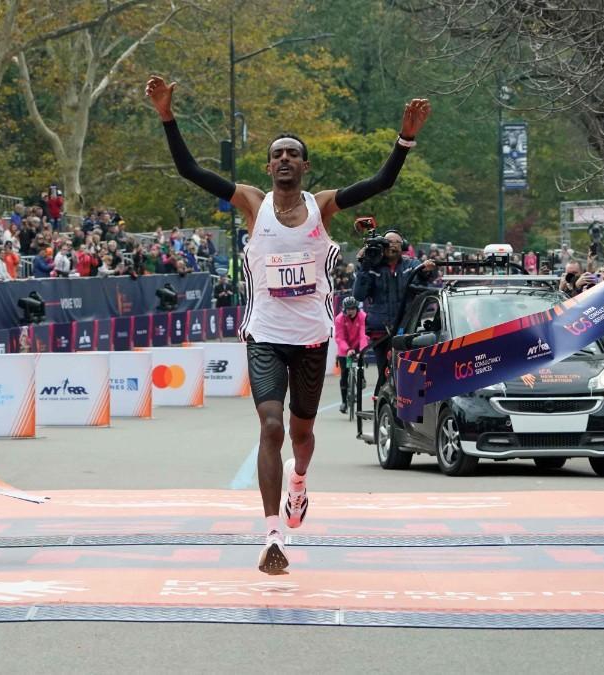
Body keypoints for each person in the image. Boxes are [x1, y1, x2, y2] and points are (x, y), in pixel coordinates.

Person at [147, 74, 430, 574]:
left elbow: (381, 183)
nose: (283, 159)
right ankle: (272, 535)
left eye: (292, 154)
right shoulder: (252, 204)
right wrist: (168, 115)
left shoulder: (321, 206)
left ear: (304, 166)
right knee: (271, 427)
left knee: (302, 436)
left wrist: (404, 138)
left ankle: (300, 482)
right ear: (267, 164)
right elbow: (190, 170)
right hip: (265, 337)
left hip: (311, 339)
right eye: (276, 152)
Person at [353, 227, 436, 396]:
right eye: (388, 242)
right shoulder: (371, 267)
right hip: (381, 332)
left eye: (397, 242)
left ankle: (409, 412)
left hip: (407, 331)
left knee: (410, 374)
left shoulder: (411, 264)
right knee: (384, 375)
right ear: (382, 245)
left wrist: (429, 270)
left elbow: (426, 278)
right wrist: (365, 264)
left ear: (403, 245)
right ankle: (383, 412)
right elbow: (359, 295)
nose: (393, 245)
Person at [333, 297, 368, 413]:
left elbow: (363, 335)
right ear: (344, 309)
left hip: (358, 346)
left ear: (356, 308)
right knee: (345, 373)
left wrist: (362, 350)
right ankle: (344, 402)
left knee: (359, 366)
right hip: (345, 349)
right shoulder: (339, 319)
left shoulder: (362, 316)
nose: (350, 311)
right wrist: (347, 349)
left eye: (352, 309)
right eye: (348, 309)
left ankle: (361, 377)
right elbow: (339, 337)